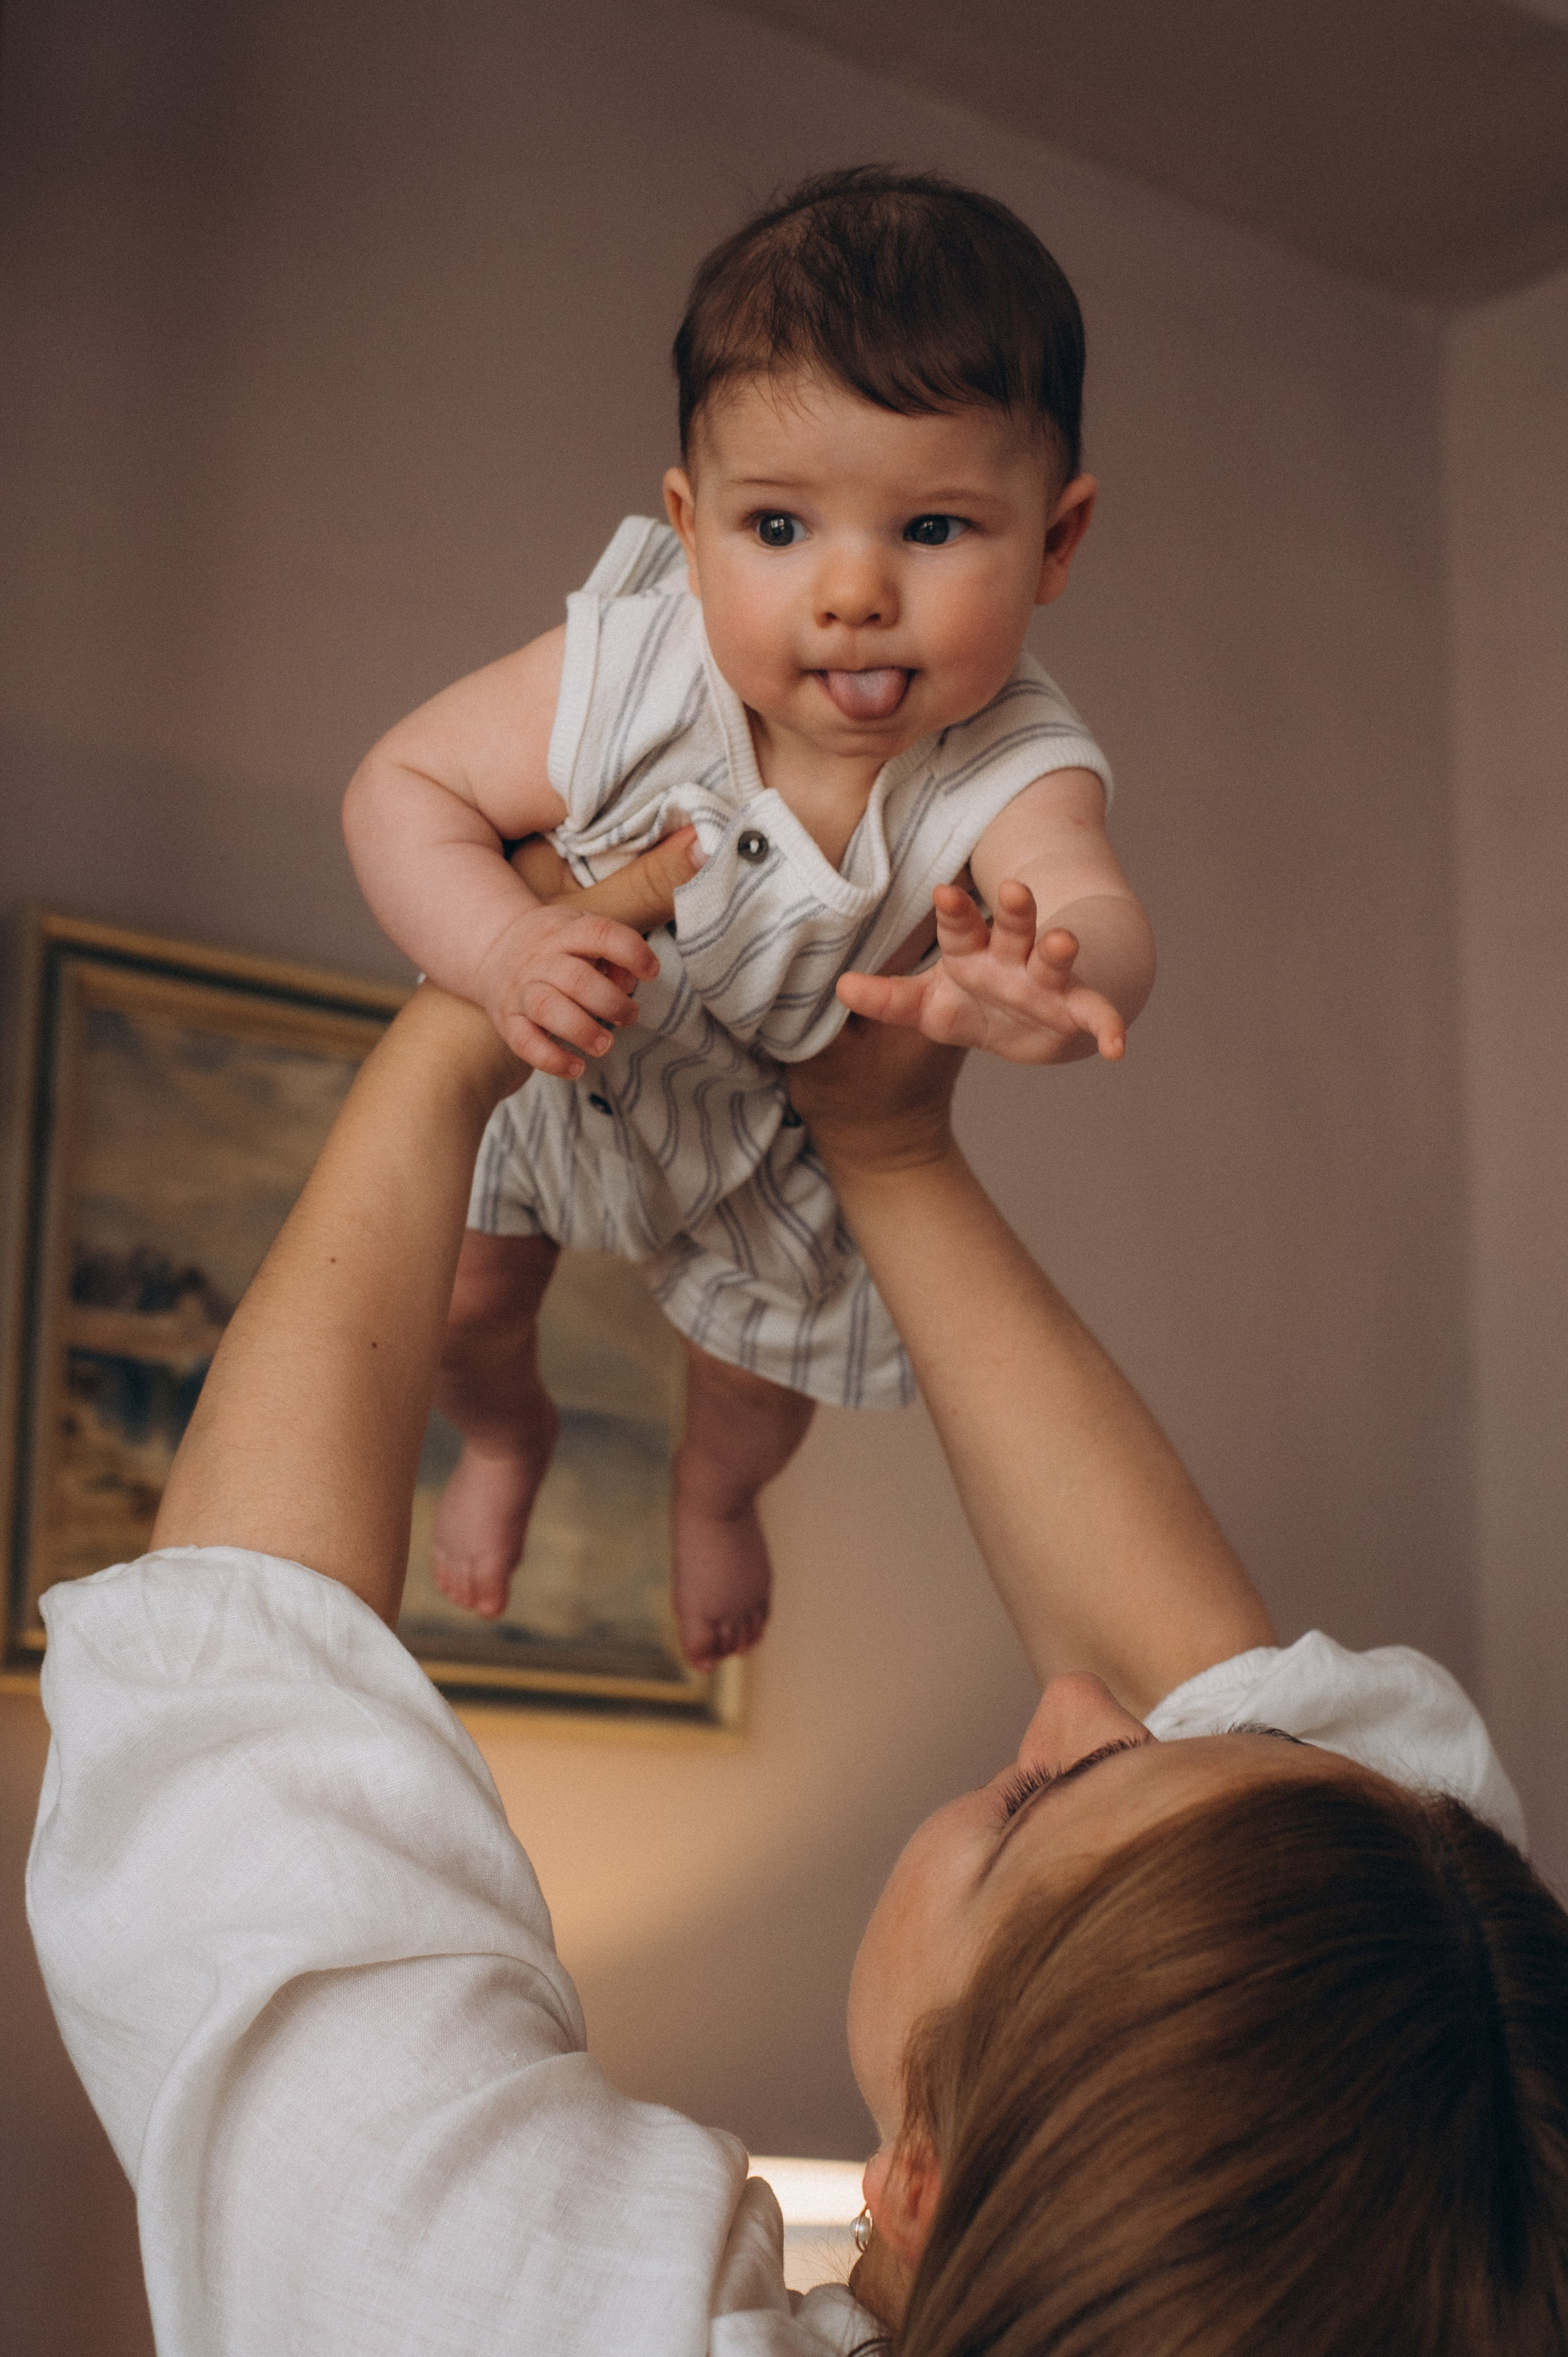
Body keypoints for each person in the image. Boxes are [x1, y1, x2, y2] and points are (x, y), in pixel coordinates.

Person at [26, 857, 1568, 2355]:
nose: (1083, 1696)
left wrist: (453, 1031)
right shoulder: (1455, 2145)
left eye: (1034, 1798)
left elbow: (245, 1703)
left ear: (920, 2183)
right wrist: (885, 1146)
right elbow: (1283, 1769)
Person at [341, 167, 1156, 1670]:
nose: (848, 591)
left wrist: (1044, 984)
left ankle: (712, 1502)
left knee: (754, 1393)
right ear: (689, 523)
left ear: (1055, 540)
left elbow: (1091, 903)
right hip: (570, 1050)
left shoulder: (1009, 756)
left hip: (769, 1142)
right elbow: (401, 786)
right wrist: (503, 948)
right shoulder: (630, 671)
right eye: (777, 527)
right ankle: (510, 1436)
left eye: (930, 527)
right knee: (460, 1304)